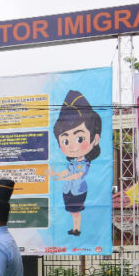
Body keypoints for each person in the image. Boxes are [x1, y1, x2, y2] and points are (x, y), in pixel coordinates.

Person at [49, 90, 102, 237]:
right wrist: (56, 174)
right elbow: (67, 171)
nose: (72, 147)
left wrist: (64, 178)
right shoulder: (72, 162)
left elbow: (78, 175)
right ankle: (74, 228)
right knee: (72, 212)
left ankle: (77, 230)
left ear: (95, 139)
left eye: (79, 139)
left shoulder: (85, 162)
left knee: (76, 211)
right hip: (68, 191)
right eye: (65, 141)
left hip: (78, 191)